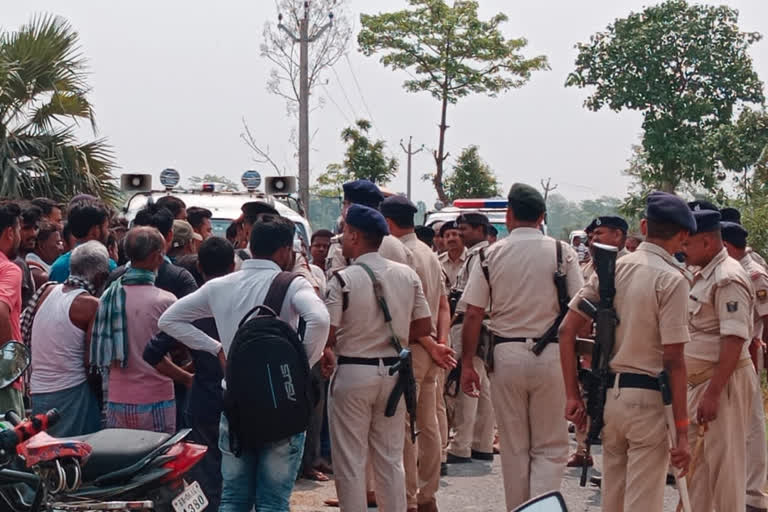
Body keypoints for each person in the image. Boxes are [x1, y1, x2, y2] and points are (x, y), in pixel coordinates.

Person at [158, 215, 330, 512]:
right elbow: (319, 318)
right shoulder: (291, 285)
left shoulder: (220, 286)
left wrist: (216, 349)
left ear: (251, 246)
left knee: (234, 498)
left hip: (236, 404)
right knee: (273, 502)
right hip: (283, 407)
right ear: (284, 251)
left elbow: (169, 320)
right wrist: (300, 364)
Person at [559, 191, 693, 512]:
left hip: (610, 400)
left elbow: (566, 331)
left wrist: (572, 396)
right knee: (642, 503)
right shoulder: (673, 280)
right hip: (649, 403)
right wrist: (683, 433)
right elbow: (674, 360)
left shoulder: (611, 270)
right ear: (684, 235)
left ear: (644, 226)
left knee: (613, 501)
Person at [458, 184, 584, 510]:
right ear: (542, 217)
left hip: (506, 355)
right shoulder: (562, 252)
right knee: (551, 446)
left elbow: (473, 313)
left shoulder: (489, 254)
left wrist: (468, 363)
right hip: (553, 355)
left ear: (509, 215)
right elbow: (579, 310)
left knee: (514, 447)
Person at [320, 204, 432, 512]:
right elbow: (424, 326)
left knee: (351, 460)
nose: (341, 238)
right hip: (394, 373)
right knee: (390, 457)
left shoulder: (343, 279)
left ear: (355, 236)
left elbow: (328, 333)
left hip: (354, 371)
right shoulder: (407, 275)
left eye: (344, 232)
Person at [144, 237, 235, 512]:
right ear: (233, 266)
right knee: (239, 475)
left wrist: (187, 376)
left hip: (204, 401)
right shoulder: (245, 300)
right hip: (240, 401)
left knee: (204, 478)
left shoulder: (192, 307)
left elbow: (151, 353)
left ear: (199, 267)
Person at [381, 196, 456, 512]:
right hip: (431, 350)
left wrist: (429, 343)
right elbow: (442, 306)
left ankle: (410, 498)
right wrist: (440, 342)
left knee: (404, 426)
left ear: (387, 223)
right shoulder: (429, 253)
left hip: (412, 348)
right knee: (429, 424)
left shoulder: (397, 252)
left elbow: (406, 313)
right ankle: (428, 495)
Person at [684, 208, 757, 511]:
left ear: (707, 242)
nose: (682, 249)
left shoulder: (727, 278)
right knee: (698, 471)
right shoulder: (703, 273)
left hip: (721, 383)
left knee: (725, 471)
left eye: (687, 243)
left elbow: (734, 339)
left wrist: (713, 393)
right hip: (701, 383)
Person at [93, 227, 177, 433]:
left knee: (121, 462)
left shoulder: (108, 297)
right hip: (156, 398)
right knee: (158, 461)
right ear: (157, 257)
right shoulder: (166, 301)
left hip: (116, 399)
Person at [26, 241, 108, 437]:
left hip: (39, 391)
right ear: (100, 277)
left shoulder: (46, 291)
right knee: (77, 457)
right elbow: (92, 364)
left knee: (45, 458)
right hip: (72, 394)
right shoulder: (91, 305)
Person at [567, 216, 629, 469]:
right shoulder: (588, 268)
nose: (593, 241)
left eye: (599, 234)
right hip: (591, 342)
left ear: (618, 235)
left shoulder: (625, 265)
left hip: (620, 344)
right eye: (591, 236)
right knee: (589, 394)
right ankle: (583, 448)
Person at [722, 221, 768, 512]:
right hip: (732, 355)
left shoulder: (752, 273)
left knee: (751, 426)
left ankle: (753, 494)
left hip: (747, 353)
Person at [446, 213, 496, 466]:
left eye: (464, 229)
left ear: (479, 229)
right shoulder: (480, 254)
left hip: (471, 321)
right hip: (477, 322)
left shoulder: (480, 255)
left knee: (468, 384)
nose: (459, 234)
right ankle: (481, 442)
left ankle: (462, 443)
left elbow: (471, 301)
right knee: (481, 385)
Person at [325, 180, 412, 277]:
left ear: (351, 209)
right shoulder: (400, 247)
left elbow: (337, 286)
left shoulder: (343, 244)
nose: (342, 211)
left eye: (345, 204)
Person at [49, 198, 115, 282]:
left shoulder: (57, 267)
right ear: (95, 231)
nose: (108, 232)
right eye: (106, 227)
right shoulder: (107, 266)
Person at [0, 202, 24, 416]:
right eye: (18, 230)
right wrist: (7, 368)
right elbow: (0, 312)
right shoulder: (8, 269)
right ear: (9, 232)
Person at [16, 205, 42, 305]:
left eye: (35, 228)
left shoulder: (22, 262)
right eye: (26, 228)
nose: (33, 233)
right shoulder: (17, 264)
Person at [26, 222, 63, 287]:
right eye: (57, 243)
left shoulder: (49, 264)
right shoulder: (36, 272)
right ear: (41, 245)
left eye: (60, 243)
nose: (61, 248)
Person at [438, 221, 466, 288]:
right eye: (447, 236)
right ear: (443, 240)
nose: (451, 239)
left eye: (454, 234)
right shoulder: (438, 261)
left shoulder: (471, 259)